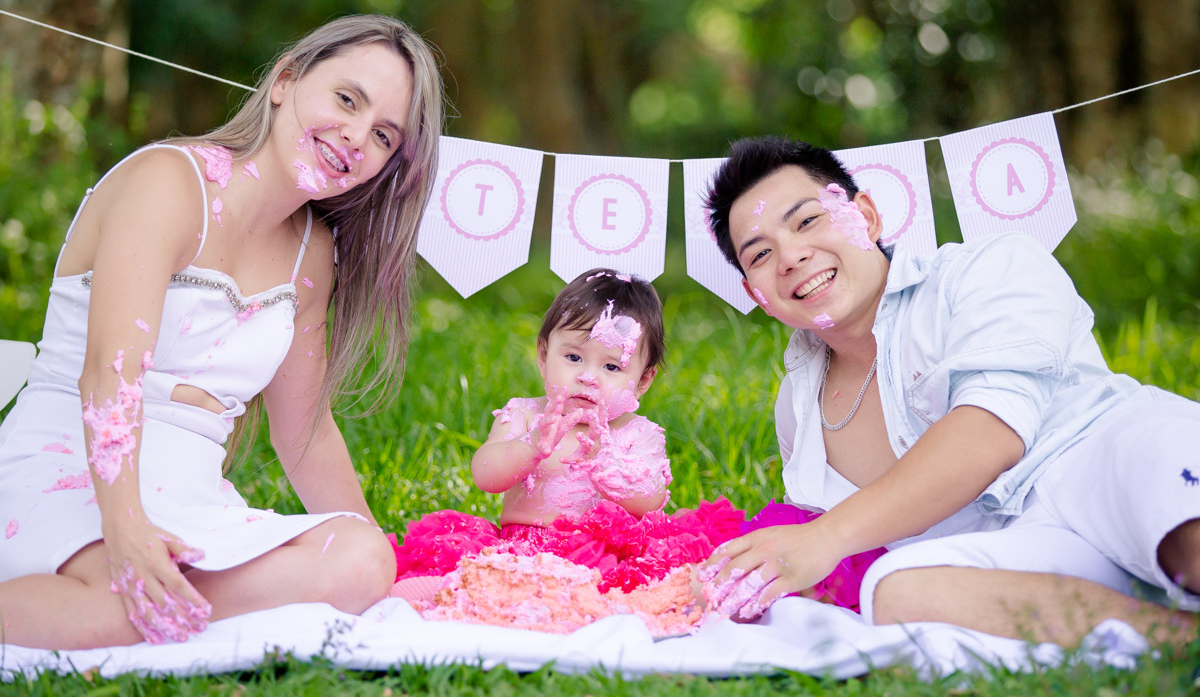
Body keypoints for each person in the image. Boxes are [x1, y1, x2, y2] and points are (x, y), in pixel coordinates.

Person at [0, 14, 444, 650]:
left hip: (193, 498)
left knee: (361, 559)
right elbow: (109, 373)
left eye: (382, 136)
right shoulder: (168, 182)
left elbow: (305, 432)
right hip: (73, 467)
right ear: (285, 81)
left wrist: (383, 569)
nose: (355, 136)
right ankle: (127, 607)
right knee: (128, 596)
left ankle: (141, 614)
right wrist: (127, 528)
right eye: (347, 100)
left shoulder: (311, 253)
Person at [698, 135, 1200, 645]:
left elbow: (989, 435)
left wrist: (824, 537)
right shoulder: (798, 407)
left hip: (1106, 464)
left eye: (807, 221)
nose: (791, 256)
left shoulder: (987, 267)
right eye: (761, 254)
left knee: (1178, 512)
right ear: (755, 294)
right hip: (1020, 551)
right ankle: (1176, 642)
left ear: (865, 217)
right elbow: (840, 555)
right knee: (895, 592)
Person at [391, 269, 743, 596]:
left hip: (606, 557)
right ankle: (445, 591)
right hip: (524, 551)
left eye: (611, 366)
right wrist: (531, 447)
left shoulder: (638, 433)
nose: (588, 377)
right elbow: (486, 475)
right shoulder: (526, 416)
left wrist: (607, 466)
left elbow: (651, 500)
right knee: (473, 577)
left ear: (643, 381)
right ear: (544, 356)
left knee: (667, 582)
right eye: (573, 358)